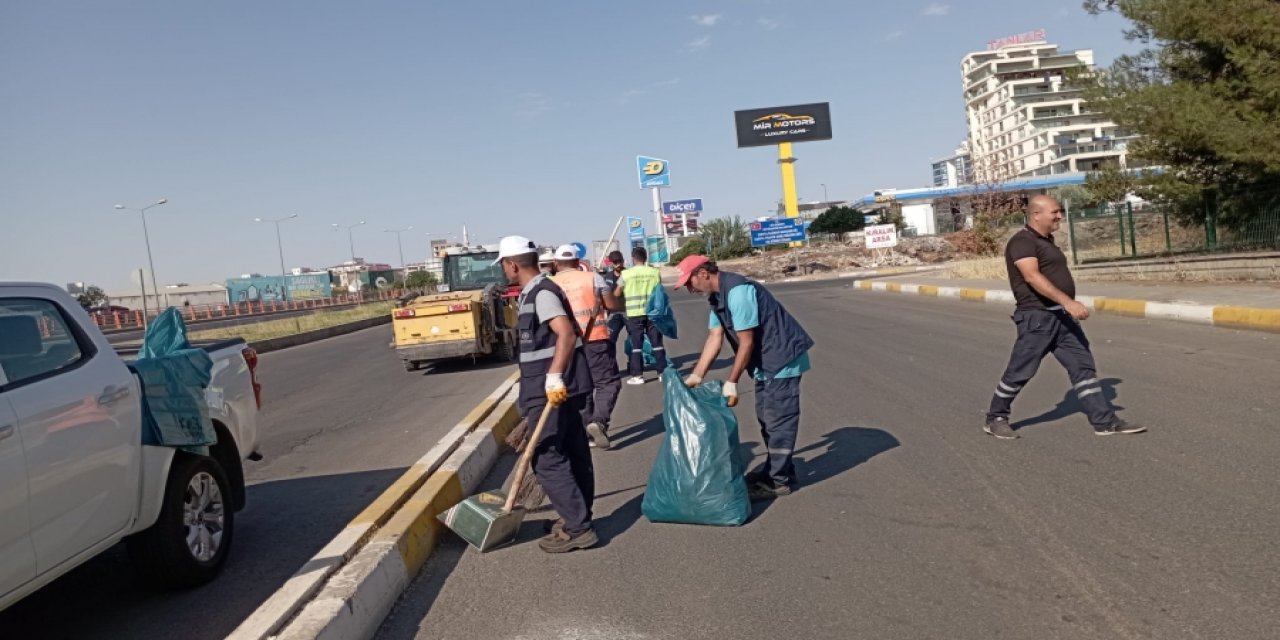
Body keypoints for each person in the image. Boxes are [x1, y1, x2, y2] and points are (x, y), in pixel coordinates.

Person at [984, 195, 1146, 440]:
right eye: (1055, 212)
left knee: (1083, 366)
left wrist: (1064, 306)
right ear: (1036, 214)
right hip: (1037, 318)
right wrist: (1068, 301)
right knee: (1020, 371)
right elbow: (1031, 276)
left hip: (1061, 319)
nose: (1060, 216)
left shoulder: (1046, 241)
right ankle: (996, 417)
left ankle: (1104, 421)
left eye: (1060, 211)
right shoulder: (1023, 241)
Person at [676, 255, 814, 500]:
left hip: (782, 359)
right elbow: (714, 338)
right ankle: (779, 471)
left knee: (778, 421)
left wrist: (732, 381)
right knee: (767, 418)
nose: (689, 289)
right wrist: (696, 375)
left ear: (703, 274)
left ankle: (778, 482)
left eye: (690, 282)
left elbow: (746, 342)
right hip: (767, 363)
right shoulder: (717, 297)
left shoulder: (738, 293)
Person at [493, 235, 598, 552]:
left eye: (503, 265)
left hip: (550, 387)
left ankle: (578, 527)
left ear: (512, 264)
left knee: (547, 456)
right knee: (572, 448)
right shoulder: (535, 292)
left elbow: (565, 333)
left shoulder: (541, 292)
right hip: (559, 383)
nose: (504, 271)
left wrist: (553, 377)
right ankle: (578, 516)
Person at [551, 244, 622, 450]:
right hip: (596, 339)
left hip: (567, 345)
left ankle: (587, 433)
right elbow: (611, 304)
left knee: (582, 388)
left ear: (556, 264)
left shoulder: (550, 284)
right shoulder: (592, 278)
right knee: (608, 383)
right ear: (577, 262)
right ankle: (598, 422)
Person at [612, 246, 668, 384]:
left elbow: (617, 293)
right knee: (657, 344)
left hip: (634, 314)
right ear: (646, 257)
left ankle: (638, 376)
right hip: (652, 312)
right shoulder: (654, 272)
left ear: (633, 258)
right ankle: (662, 373)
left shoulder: (626, 274)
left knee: (636, 345)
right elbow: (659, 290)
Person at [600, 250, 628, 369]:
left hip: (629, 311)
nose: (618, 264)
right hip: (614, 313)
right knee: (610, 340)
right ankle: (612, 367)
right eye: (615, 262)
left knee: (634, 339)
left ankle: (634, 364)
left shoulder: (629, 273)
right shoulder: (607, 277)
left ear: (623, 260)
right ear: (611, 263)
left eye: (620, 261)